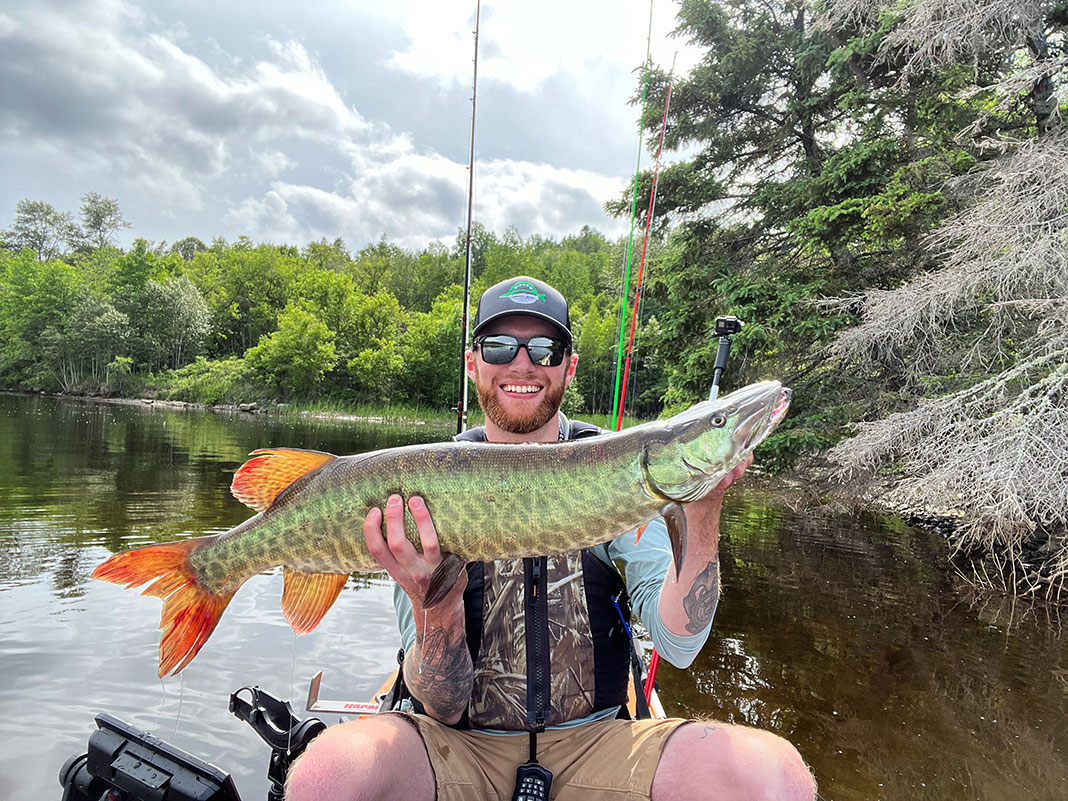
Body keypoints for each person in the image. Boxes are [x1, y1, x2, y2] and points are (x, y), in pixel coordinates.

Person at [286, 276, 815, 801]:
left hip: (597, 744)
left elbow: (678, 644)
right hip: (457, 747)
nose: (523, 364)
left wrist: (703, 510)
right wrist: (437, 604)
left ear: (569, 366)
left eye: (545, 349)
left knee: (775, 777)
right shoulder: (427, 483)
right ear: (472, 363)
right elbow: (442, 706)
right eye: (499, 347)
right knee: (325, 777)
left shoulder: (622, 475)